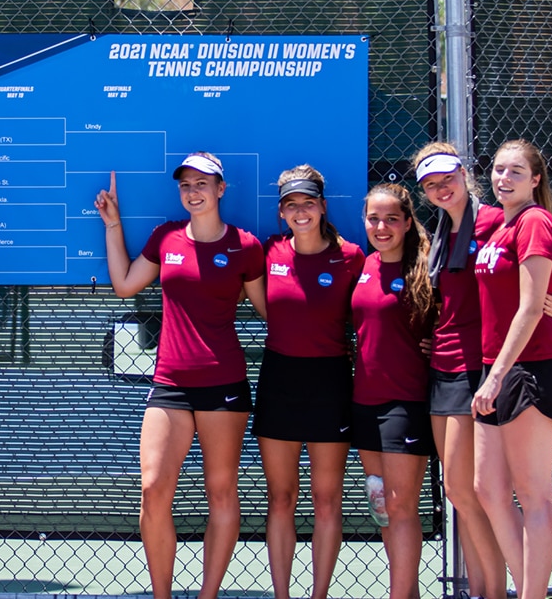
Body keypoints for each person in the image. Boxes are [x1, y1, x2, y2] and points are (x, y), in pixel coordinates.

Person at [94, 154, 266, 599]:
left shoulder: (245, 246)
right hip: (169, 382)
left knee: (221, 491)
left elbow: (271, 311)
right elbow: (126, 284)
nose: (194, 191)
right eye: (186, 184)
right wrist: (113, 225)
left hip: (224, 383)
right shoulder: (166, 237)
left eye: (203, 183)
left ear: (221, 189)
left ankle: (208, 595)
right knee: (152, 490)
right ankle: (161, 595)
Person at [253, 165, 364, 599]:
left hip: (330, 381)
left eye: (308, 203)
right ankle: (282, 595)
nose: (301, 212)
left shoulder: (351, 256)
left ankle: (318, 595)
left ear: (322, 206)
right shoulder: (270, 251)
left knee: (326, 500)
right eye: (291, 205)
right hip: (280, 377)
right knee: (280, 498)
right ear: (281, 212)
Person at [413, 144, 507, 599]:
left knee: (470, 491)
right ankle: (480, 589)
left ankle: (494, 590)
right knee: (459, 492)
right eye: (431, 185)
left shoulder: (493, 221)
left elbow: (525, 271)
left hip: (476, 367)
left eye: (446, 179)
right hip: (443, 365)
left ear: (464, 174)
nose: (440, 189)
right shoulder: (442, 231)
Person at [471, 139, 552, 599]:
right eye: (498, 170)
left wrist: (498, 374)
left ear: (536, 179)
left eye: (515, 172)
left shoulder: (535, 221)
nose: (503, 178)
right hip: (495, 368)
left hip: (526, 369)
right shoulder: (497, 226)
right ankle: (528, 587)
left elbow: (530, 308)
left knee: (533, 493)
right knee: (487, 488)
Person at [350, 182, 436, 599]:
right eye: (373, 218)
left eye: (391, 219)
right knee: (382, 507)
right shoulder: (361, 265)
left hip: (406, 404)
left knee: (401, 506)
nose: (381, 226)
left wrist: (437, 341)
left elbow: (458, 318)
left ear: (406, 223)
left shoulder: (425, 268)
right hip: (363, 403)